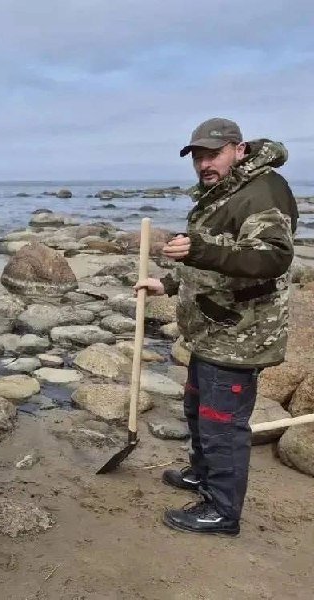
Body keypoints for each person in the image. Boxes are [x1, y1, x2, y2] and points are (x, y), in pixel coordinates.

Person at [135, 118, 297, 535]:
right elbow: (215, 259)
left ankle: (222, 512)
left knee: (222, 425)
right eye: (199, 156)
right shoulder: (224, 191)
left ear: (238, 150)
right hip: (212, 331)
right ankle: (201, 475)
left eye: (214, 153)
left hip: (241, 336)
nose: (204, 163)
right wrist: (168, 283)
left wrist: (200, 250)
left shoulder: (262, 192)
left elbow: (271, 258)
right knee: (197, 410)